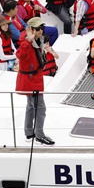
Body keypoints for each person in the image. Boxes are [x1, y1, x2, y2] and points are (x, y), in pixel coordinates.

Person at [16, 17, 55, 146]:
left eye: (41, 28)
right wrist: (28, 40)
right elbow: (20, 55)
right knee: (40, 108)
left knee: (31, 106)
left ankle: (29, 133)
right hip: (30, 80)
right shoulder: (25, 42)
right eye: (38, 29)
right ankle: (39, 135)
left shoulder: (39, 40)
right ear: (31, 30)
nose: (40, 31)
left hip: (34, 78)